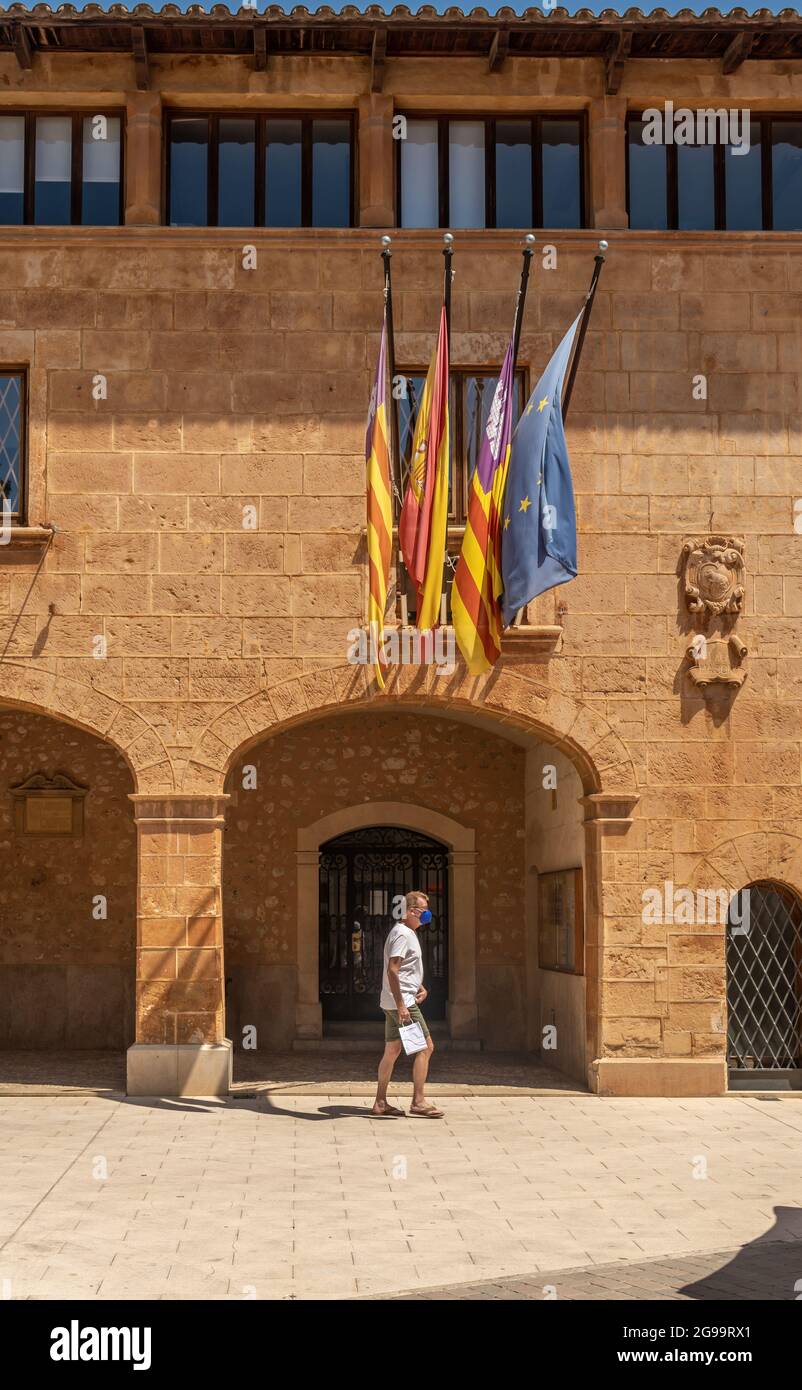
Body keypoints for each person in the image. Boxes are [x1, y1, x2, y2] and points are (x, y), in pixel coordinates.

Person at [371, 889, 444, 1119]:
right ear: (412, 911)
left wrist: (419, 985)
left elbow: (403, 969)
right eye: (424, 910)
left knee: (392, 1049)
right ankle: (419, 1102)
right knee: (425, 1047)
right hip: (401, 1002)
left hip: (393, 1000)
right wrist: (403, 1005)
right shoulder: (403, 934)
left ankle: (380, 1102)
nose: (427, 915)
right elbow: (393, 969)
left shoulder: (405, 932)